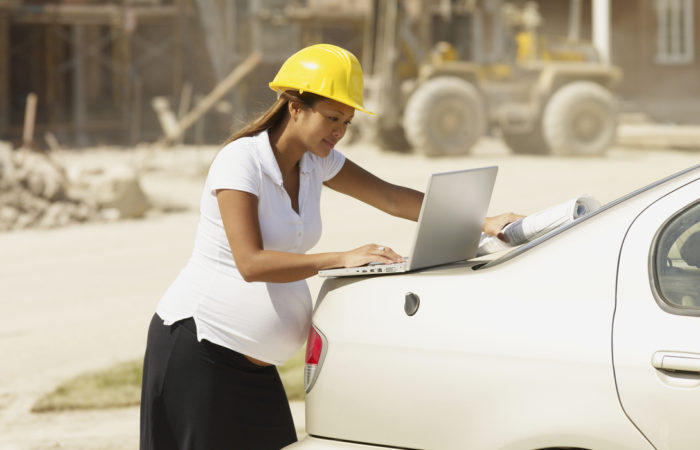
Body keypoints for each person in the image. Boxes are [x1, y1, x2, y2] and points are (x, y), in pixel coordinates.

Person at [139, 43, 521, 450]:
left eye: (347, 122)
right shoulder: (241, 161)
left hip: (253, 371)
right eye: (332, 117)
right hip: (199, 354)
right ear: (294, 106)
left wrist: (482, 220)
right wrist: (340, 259)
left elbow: (391, 198)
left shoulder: (315, 161)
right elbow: (250, 263)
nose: (339, 131)